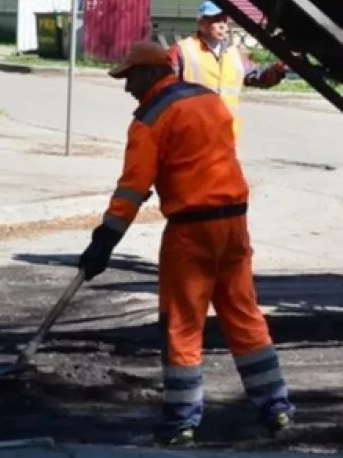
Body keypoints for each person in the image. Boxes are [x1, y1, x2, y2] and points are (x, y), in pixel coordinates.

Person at [79, 41, 296, 446]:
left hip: (191, 232)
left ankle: (181, 423)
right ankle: (276, 409)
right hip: (233, 223)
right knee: (244, 316)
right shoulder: (209, 101)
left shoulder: (149, 119)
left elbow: (131, 189)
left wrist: (103, 242)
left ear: (149, 73)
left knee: (182, 324)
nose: (127, 88)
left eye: (129, 78)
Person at [171, 0, 288, 141]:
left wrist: (278, 69)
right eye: (216, 20)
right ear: (201, 24)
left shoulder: (234, 53)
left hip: (226, 135)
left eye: (224, 20)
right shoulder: (183, 51)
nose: (222, 25)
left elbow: (257, 76)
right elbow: (163, 90)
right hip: (192, 135)